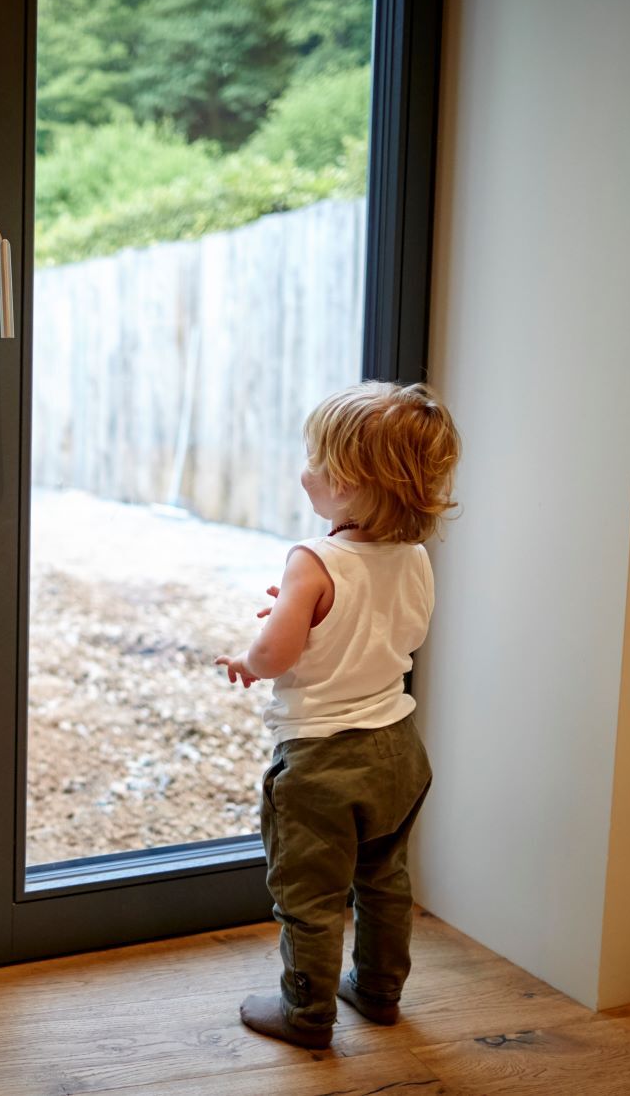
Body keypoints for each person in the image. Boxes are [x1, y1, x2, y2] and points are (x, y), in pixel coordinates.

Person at [214, 381, 461, 1050]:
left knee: (311, 896)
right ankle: (379, 994)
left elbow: (276, 652)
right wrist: (311, 619)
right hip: (397, 749)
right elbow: (388, 630)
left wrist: (250, 655)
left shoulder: (314, 560)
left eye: (316, 461)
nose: (306, 473)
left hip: (324, 759)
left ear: (348, 485)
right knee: (384, 880)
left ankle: (306, 1014)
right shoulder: (414, 557)